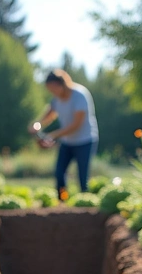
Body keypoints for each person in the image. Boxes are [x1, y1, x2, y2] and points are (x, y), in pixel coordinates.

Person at [29, 69, 99, 200]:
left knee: (82, 176)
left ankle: (85, 203)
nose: (52, 92)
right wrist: (37, 125)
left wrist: (52, 135)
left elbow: (76, 125)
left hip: (85, 141)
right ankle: (63, 201)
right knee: (59, 173)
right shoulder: (57, 99)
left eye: (54, 88)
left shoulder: (80, 95)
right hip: (67, 142)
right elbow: (49, 114)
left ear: (62, 84)